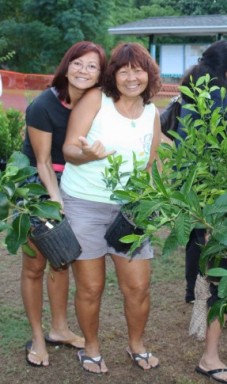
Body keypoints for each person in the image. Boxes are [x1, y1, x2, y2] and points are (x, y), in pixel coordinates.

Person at [61, 42, 161, 374]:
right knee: (90, 287)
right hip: (85, 204)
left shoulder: (152, 113)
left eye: (138, 69)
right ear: (113, 74)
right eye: (123, 70)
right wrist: (87, 153)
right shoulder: (96, 100)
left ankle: (137, 345)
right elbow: (69, 148)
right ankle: (90, 348)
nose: (132, 77)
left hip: (130, 210)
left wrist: (147, 201)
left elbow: (149, 167)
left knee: (137, 287)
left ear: (149, 73)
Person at [21, 41, 107, 367]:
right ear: (67, 64)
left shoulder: (95, 103)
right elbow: (42, 162)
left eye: (92, 66)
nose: (83, 71)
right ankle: (38, 337)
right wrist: (56, 204)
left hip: (72, 186)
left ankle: (59, 329)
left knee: (61, 260)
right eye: (78, 63)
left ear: (101, 74)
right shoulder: (44, 105)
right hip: (38, 190)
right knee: (35, 266)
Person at [179, 39, 227, 305]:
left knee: (196, 235)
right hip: (211, 176)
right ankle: (213, 294)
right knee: (214, 235)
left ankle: (193, 291)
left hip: (190, 174)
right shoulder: (219, 95)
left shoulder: (197, 86)